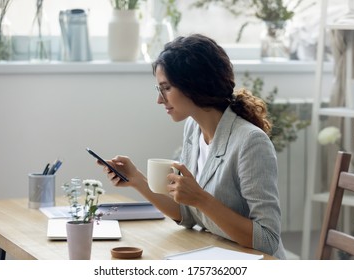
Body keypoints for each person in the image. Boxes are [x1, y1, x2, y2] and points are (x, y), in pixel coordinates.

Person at [100, 34, 287, 259]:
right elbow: (187, 215)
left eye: (166, 88)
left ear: (194, 85)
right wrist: (137, 180)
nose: (160, 100)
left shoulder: (250, 142)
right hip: (218, 254)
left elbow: (267, 240)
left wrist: (200, 198)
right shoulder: (193, 128)